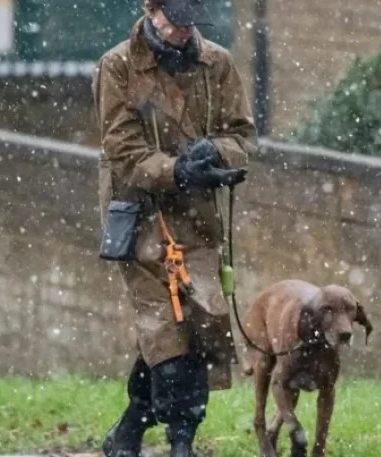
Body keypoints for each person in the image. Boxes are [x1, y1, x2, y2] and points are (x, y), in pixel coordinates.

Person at [91, 0, 257, 455]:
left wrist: (214, 152)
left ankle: (128, 430)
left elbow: (243, 136)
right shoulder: (117, 66)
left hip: (198, 218)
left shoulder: (217, 64)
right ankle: (181, 440)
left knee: (201, 323)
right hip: (139, 214)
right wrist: (176, 170)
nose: (184, 31)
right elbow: (122, 149)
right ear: (151, 9)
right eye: (174, 20)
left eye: (191, 22)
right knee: (166, 325)